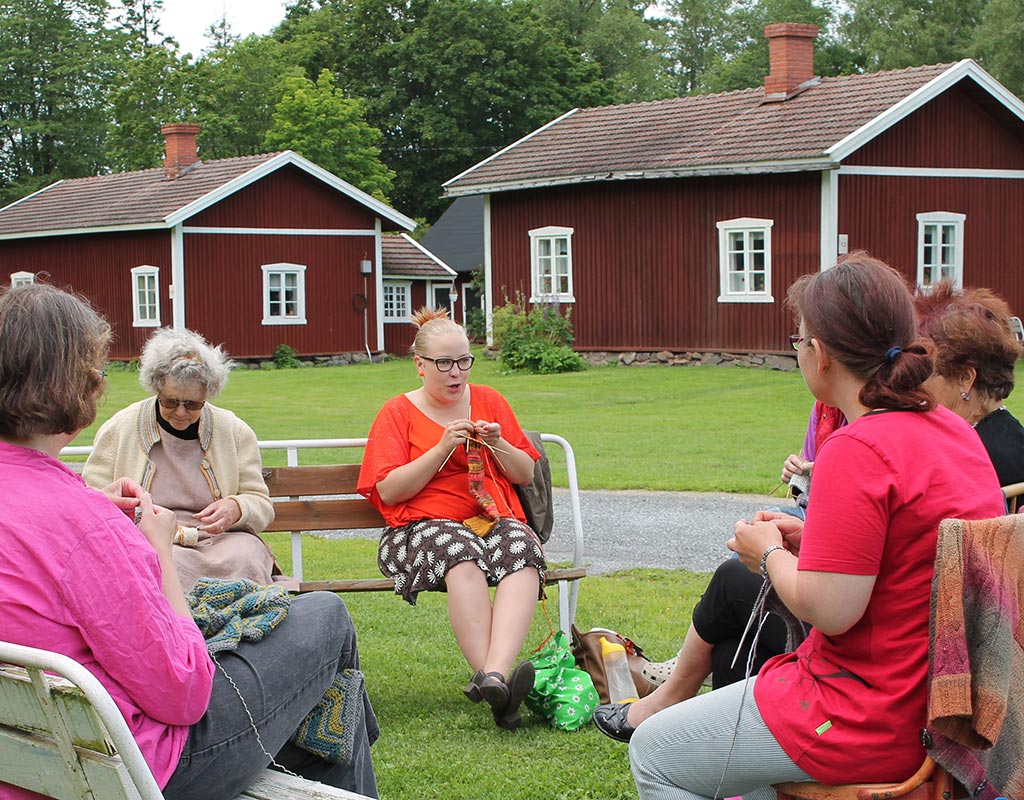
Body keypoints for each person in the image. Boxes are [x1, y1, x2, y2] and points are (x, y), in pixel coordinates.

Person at [622, 254, 1006, 799]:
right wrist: (812, 542)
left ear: (819, 354)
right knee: (728, 753)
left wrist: (767, 555)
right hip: (942, 709)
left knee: (654, 750)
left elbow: (832, 610)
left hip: (868, 713)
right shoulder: (951, 430)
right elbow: (908, 555)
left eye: (798, 340)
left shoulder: (858, 447)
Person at [0, 283, 378, 800]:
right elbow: (183, 692)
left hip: (33, 755)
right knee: (325, 616)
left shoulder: (64, 507)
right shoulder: (88, 525)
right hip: (133, 768)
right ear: (80, 387)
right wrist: (154, 548)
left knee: (301, 677)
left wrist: (101, 508)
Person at [357, 307, 545, 731]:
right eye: (444, 363)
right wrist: (442, 447)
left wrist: (499, 444)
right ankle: (498, 684)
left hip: (488, 519)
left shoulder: (490, 400)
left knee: (524, 548)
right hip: (418, 527)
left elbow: (524, 473)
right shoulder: (397, 412)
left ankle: (494, 676)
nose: (456, 372)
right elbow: (389, 490)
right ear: (420, 365)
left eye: (463, 361)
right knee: (459, 552)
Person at [83, 327, 286, 593]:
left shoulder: (234, 431)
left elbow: (260, 503)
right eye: (170, 402)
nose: (180, 412)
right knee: (161, 565)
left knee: (246, 557)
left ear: (207, 395)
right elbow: (92, 499)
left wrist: (237, 507)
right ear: (157, 388)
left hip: (221, 540)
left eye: (192, 404)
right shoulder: (119, 428)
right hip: (149, 540)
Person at [914, 281, 1024, 487]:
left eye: (925, 373)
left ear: (965, 378)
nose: (916, 386)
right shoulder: (1014, 436)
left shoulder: (970, 458)